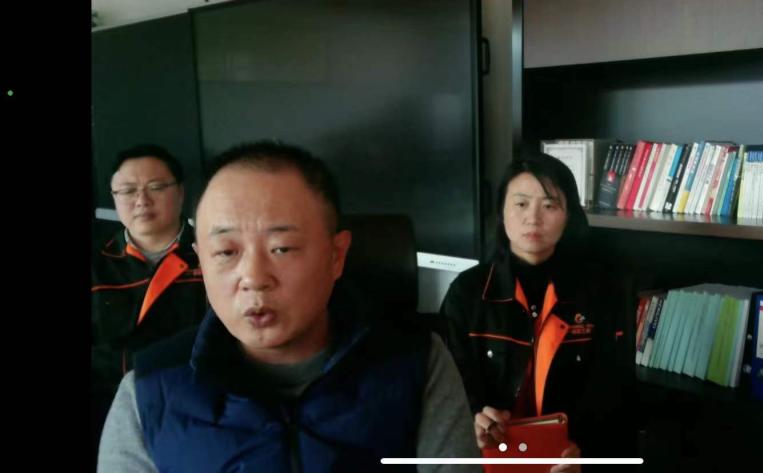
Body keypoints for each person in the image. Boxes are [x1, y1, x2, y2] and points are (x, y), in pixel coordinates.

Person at [98, 141, 479, 472]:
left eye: (281, 248)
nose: (253, 277)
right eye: (226, 252)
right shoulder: (146, 392)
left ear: (336, 255)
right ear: (201, 260)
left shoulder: (417, 363)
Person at [440, 152, 636, 473]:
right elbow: (448, 390)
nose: (533, 218)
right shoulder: (468, 294)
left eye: (549, 205)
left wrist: (588, 455)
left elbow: (613, 394)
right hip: (492, 458)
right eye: (520, 204)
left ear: (568, 216)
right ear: (502, 212)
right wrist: (473, 419)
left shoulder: (600, 293)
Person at [91, 145, 206, 458]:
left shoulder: (213, 255)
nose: (141, 200)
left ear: (180, 192)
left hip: (193, 407)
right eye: (128, 190)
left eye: (156, 187)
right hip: (106, 410)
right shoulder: (97, 263)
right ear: (114, 197)